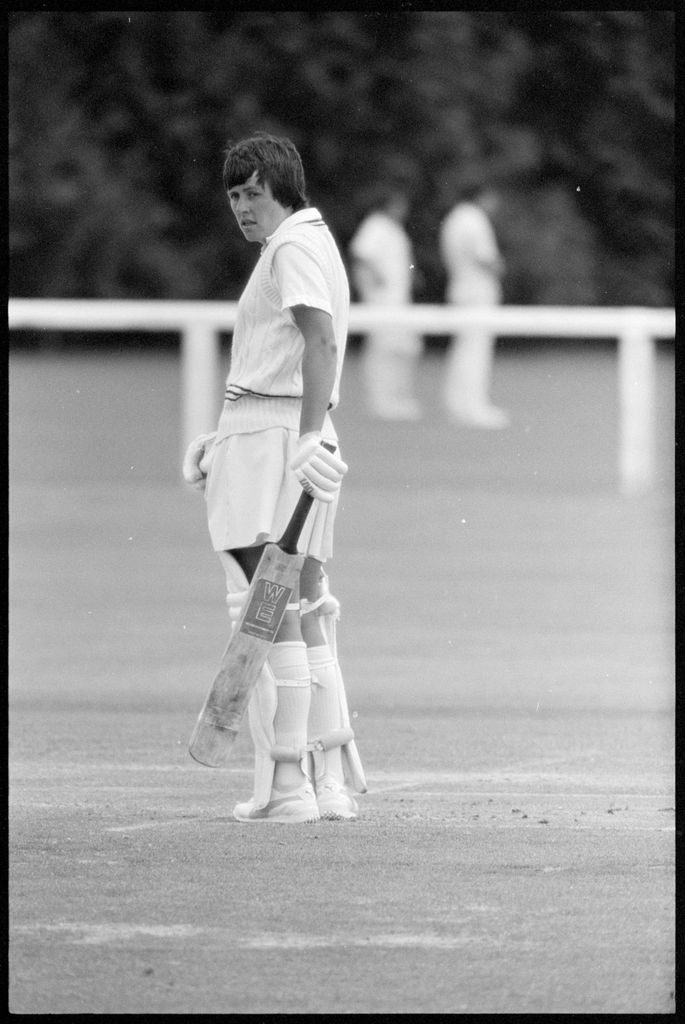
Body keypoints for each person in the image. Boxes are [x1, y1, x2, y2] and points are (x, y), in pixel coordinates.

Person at [182, 134, 366, 824]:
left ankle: (286, 787)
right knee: (308, 604)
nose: (241, 208)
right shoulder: (312, 242)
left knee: (266, 608)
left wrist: (303, 434)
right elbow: (287, 358)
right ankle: (329, 783)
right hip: (280, 434)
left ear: (281, 187)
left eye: (251, 193)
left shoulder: (289, 247)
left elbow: (318, 341)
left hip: (277, 445)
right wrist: (221, 438)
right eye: (232, 196)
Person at [439, 183, 510, 428]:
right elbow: (485, 258)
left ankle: (458, 404)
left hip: (460, 288)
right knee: (475, 352)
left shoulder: (454, 218)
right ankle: (474, 407)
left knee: (463, 350)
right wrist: (501, 269)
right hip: (477, 292)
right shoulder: (474, 218)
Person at [348, 188, 422, 420]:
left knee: (404, 349)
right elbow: (361, 254)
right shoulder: (376, 225)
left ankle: (397, 398)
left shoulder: (393, 229)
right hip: (382, 301)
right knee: (384, 349)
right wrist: (376, 278)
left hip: (398, 300)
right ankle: (381, 401)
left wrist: (412, 274)